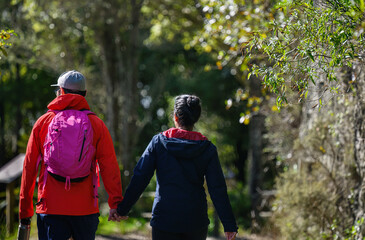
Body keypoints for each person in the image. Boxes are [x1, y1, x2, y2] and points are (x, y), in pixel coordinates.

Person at [19, 70, 124, 240]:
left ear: (60, 91)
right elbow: (109, 166)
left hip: (50, 207)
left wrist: (25, 211)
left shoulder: (43, 122)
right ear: (85, 94)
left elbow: (29, 167)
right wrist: (115, 203)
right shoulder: (96, 124)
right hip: (85, 208)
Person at [117, 94, 238, 240]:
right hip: (195, 222)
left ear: (175, 117)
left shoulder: (158, 143)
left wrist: (122, 209)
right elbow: (217, 188)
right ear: (196, 118)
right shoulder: (207, 149)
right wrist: (229, 224)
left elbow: (140, 177)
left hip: (164, 220)